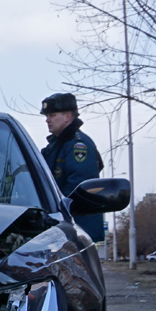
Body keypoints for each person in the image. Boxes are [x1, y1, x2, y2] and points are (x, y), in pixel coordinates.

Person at [40, 92, 105, 242]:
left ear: (67, 116)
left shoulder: (78, 145)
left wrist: (53, 210)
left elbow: (78, 188)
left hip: (78, 230)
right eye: (46, 116)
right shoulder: (56, 145)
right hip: (65, 228)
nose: (47, 120)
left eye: (52, 115)